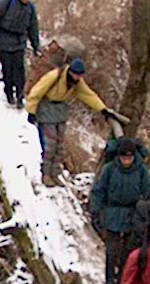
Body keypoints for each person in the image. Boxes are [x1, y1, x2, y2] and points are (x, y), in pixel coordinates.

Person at [26, 57, 114, 188]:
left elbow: (88, 95)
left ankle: (55, 173)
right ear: (70, 71)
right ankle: (46, 174)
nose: (77, 78)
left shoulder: (77, 83)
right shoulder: (55, 76)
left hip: (61, 112)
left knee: (59, 145)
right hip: (47, 109)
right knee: (50, 145)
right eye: (76, 74)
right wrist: (31, 110)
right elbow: (37, 91)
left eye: (80, 75)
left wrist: (102, 109)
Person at [89, 138, 150, 284]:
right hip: (112, 211)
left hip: (132, 213)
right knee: (112, 249)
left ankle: (122, 279)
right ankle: (109, 280)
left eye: (129, 158)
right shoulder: (109, 169)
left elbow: (148, 191)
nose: (126, 161)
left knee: (128, 250)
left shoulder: (141, 170)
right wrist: (95, 211)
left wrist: (147, 209)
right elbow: (99, 191)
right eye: (123, 158)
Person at [0, 0, 41, 106]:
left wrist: (36, 46)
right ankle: (9, 94)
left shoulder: (30, 9)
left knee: (19, 70)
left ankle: (20, 96)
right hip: (4, 40)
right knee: (7, 69)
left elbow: (33, 28)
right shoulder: (8, 2)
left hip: (19, 42)